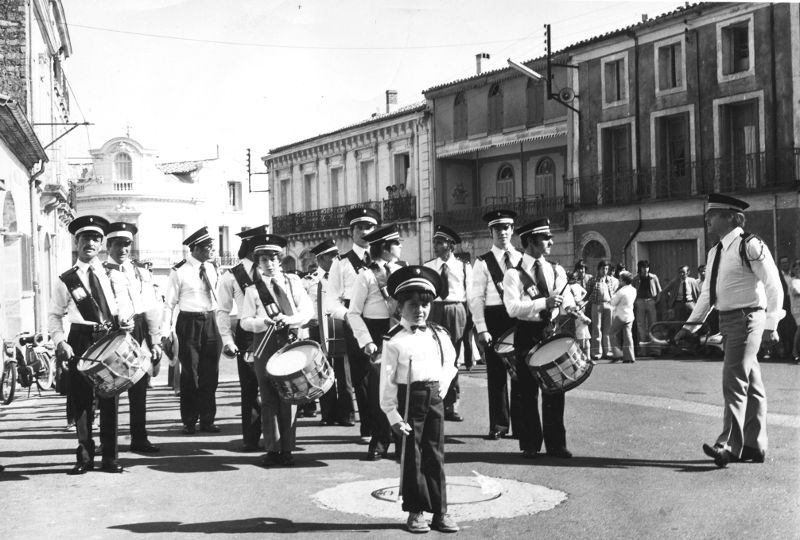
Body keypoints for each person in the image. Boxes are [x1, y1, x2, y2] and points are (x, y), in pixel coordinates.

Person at [676, 193, 784, 467]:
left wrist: (772, 324)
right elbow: (706, 295)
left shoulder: (750, 245)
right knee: (751, 383)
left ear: (731, 217)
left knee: (733, 379)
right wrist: (690, 326)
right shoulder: (716, 251)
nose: (707, 218)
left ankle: (728, 445)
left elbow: (773, 286)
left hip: (748, 319)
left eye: (713, 214)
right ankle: (754, 445)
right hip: (728, 321)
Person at [48, 215, 134, 474]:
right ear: (77, 241)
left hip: (108, 338)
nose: (91, 243)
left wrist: (126, 320)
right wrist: (60, 340)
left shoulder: (113, 274)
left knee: (110, 398)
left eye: (96, 238)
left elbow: (124, 304)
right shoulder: (67, 279)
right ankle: (84, 456)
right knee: (81, 400)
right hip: (80, 338)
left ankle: (110, 457)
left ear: (101, 244)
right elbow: (55, 314)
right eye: (86, 238)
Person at [379, 265, 459, 533]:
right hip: (408, 400)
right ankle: (415, 512)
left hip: (434, 397)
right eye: (412, 305)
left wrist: (441, 391)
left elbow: (451, 365)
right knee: (412, 456)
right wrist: (392, 415)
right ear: (399, 307)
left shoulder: (440, 334)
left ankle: (441, 511)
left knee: (435, 455)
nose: (420, 310)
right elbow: (387, 382)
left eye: (424, 305)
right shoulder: (393, 341)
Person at [502, 218, 576, 459]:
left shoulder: (556, 269)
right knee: (527, 392)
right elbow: (512, 308)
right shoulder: (513, 274)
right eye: (546, 238)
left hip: (549, 330)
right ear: (531, 241)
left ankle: (557, 445)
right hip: (526, 333)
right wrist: (544, 302)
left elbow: (567, 301)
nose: (551, 241)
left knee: (555, 389)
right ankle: (530, 444)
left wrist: (571, 307)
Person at [240, 234, 313, 467]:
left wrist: (290, 319)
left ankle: (288, 449)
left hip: (289, 341)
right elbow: (244, 321)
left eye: (272, 258)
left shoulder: (293, 282)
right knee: (269, 397)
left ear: (279, 259)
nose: (268, 263)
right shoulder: (253, 290)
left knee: (290, 395)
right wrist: (263, 322)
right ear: (258, 262)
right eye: (263, 260)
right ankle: (272, 449)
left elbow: (307, 311)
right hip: (265, 342)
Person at [103, 222, 163, 453]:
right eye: (118, 244)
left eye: (127, 244)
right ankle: (108, 443)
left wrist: (155, 339)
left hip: (137, 329)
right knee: (111, 387)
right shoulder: (101, 272)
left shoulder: (140, 272)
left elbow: (150, 307)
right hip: (112, 331)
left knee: (138, 385)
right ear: (108, 246)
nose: (124, 249)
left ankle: (139, 438)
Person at [347, 224, 404, 460]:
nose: (401, 247)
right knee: (380, 394)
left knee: (401, 390)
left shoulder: (404, 270)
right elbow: (353, 312)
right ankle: (380, 441)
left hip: (400, 332)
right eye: (397, 243)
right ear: (386, 248)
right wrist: (366, 341)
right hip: (377, 334)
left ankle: (402, 441)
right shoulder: (367, 274)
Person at [468, 209, 522, 440]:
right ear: (490, 232)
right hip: (494, 318)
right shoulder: (482, 263)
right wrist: (482, 328)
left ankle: (521, 425)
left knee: (521, 374)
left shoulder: (521, 259)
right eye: (498, 228)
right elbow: (476, 298)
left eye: (507, 228)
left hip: (518, 317)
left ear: (512, 230)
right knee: (497, 374)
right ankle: (499, 425)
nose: (503, 233)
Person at [327, 207, 380, 437]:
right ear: (351, 232)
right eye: (359, 227)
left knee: (385, 375)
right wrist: (347, 316)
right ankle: (368, 427)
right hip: (354, 320)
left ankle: (387, 427)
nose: (364, 231)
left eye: (368, 227)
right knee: (362, 378)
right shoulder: (341, 263)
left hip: (381, 320)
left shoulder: (383, 260)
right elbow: (331, 301)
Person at [164, 226, 222, 435]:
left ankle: (207, 419)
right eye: (208, 247)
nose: (211, 250)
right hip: (189, 322)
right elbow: (169, 304)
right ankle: (189, 420)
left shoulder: (212, 268)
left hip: (210, 321)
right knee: (190, 374)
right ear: (195, 249)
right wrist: (166, 331)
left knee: (210, 373)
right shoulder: (179, 271)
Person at [215, 225, 269, 452]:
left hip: (274, 330)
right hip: (247, 335)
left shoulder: (271, 270)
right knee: (250, 387)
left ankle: (277, 436)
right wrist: (227, 340)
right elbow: (223, 310)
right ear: (250, 246)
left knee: (275, 386)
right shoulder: (231, 275)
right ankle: (251, 437)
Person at [423, 224, 472, 422]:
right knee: (434, 356)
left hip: (455, 310)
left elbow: (470, 295)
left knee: (452, 358)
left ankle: (452, 403)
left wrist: (470, 322)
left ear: (450, 245)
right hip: (434, 310)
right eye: (434, 241)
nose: (435, 245)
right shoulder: (428, 267)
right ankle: (435, 402)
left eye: (439, 242)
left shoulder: (463, 267)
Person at [303, 238, 354, 426]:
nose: (336, 258)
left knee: (344, 372)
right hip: (317, 328)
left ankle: (347, 413)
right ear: (321, 258)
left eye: (337, 254)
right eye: (332, 255)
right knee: (323, 372)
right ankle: (328, 414)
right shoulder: (310, 280)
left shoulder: (342, 275)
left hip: (338, 324)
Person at [587, 260, 618, 359]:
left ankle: (608, 351)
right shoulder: (593, 280)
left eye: (606, 269)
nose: (605, 271)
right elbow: (587, 293)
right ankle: (597, 352)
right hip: (597, 304)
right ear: (599, 269)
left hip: (608, 304)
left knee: (608, 329)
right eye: (603, 269)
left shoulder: (610, 280)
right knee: (596, 328)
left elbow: (613, 292)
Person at [631, 260, 661, 346]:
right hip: (640, 301)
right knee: (641, 326)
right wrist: (635, 302)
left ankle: (655, 349)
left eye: (647, 267)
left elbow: (659, 291)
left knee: (654, 325)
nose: (645, 269)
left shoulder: (653, 277)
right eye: (643, 267)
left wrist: (656, 301)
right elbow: (632, 291)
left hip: (651, 300)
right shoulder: (636, 279)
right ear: (640, 268)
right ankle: (643, 350)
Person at [609, 271, 637, 363]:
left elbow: (612, 302)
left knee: (611, 333)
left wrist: (613, 294)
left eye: (620, 279)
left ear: (624, 281)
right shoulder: (633, 290)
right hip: (630, 315)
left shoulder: (621, 291)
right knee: (628, 336)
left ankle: (617, 354)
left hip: (621, 315)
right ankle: (630, 357)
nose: (619, 281)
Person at [776, 256, 797, 360]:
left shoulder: (793, 274)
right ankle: (784, 350)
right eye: (782, 263)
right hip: (783, 304)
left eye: (786, 262)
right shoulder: (777, 276)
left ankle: (793, 351)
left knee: (794, 328)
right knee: (783, 328)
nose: (785, 264)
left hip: (794, 304)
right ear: (780, 265)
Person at [789, 259, 800, 363]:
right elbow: (796, 292)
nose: (798, 270)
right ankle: (795, 353)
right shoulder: (793, 281)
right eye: (796, 269)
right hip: (797, 309)